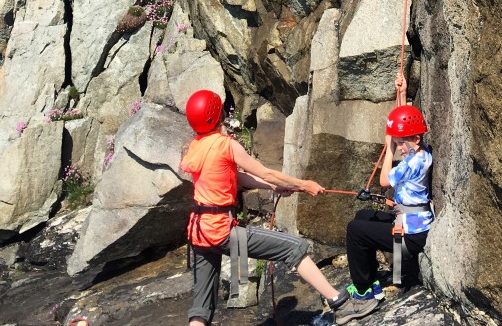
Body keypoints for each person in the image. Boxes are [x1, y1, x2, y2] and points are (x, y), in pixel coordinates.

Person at [179, 90, 374, 326]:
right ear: (218, 114)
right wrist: (304, 185)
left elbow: (236, 177)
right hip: (222, 231)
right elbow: (265, 171)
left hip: (199, 233)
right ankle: (341, 304)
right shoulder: (225, 145)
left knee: (200, 306)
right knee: (294, 248)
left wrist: (272, 187)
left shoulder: (196, 146)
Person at [344, 103, 433, 313]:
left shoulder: (410, 163)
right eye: (397, 142)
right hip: (411, 220)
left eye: (402, 143)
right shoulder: (423, 152)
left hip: (411, 236)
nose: (400, 147)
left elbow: (384, 180)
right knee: (363, 215)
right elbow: (404, 121)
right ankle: (372, 279)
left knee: (354, 230)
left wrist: (389, 150)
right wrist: (401, 93)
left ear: (416, 139)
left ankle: (363, 291)